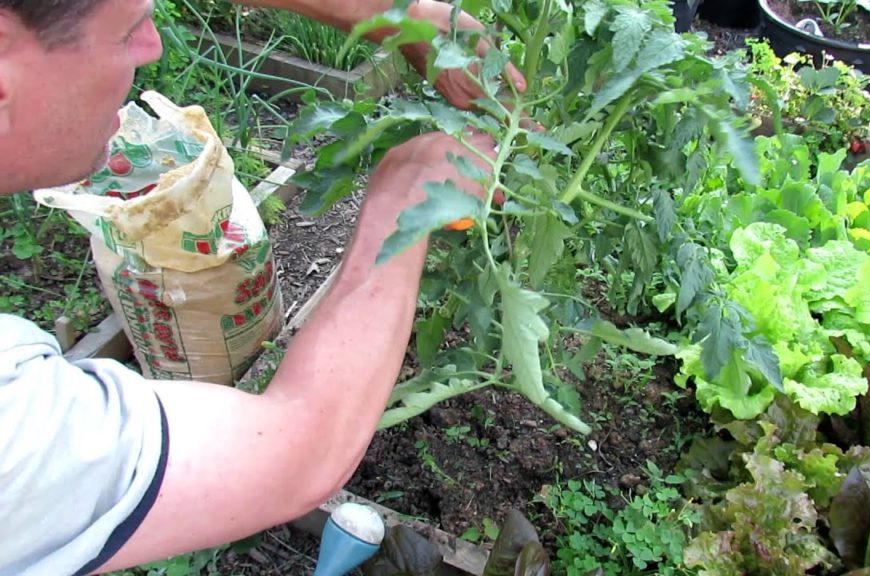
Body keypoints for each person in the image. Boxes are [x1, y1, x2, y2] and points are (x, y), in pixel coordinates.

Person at [0, 1, 524, 574]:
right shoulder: (17, 428)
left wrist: (394, 12)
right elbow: (295, 453)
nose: (153, 45)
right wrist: (406, 200)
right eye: (128, 33)